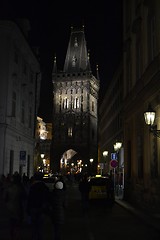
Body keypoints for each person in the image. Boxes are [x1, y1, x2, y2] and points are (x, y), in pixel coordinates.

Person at [26, 172, 50, 240]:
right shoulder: (44, 187)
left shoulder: (32, 187)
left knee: (33, 227)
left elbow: (29, 199)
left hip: (33, 208)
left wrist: (28, 209)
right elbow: (47, 199)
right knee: (40, 228)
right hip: (41, 209)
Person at [4, 172, 27, 240]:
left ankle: (13, 236)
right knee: (17, 225)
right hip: (18, 208)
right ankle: (16, 236)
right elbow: (24, 197)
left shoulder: (9, 188)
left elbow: (5, 198)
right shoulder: (21, 188)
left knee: (12, 224)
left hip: (11, 208)